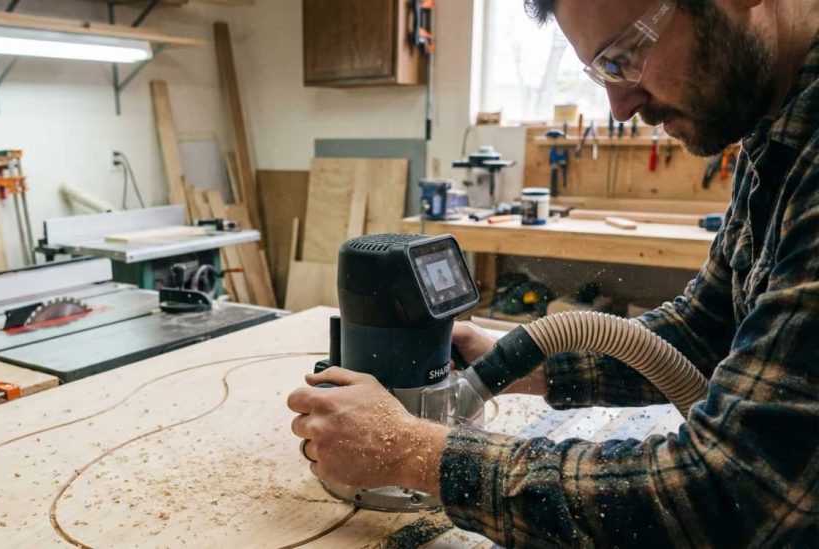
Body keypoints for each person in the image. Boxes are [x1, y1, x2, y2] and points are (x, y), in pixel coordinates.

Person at [288, 0, 819, 545]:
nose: (619, 105)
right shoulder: (774, 128)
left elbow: (737, 491)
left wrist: (416, 454)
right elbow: (705, 330)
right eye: (602, 72)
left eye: (627, 55)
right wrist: (519, 364)